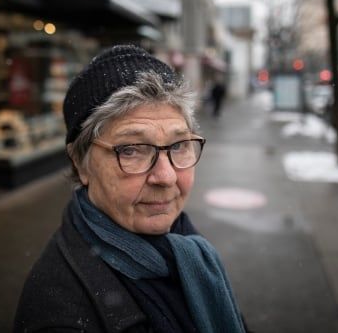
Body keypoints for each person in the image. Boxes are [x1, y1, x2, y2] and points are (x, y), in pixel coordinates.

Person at [14, 45, 248, 333]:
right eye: (131, 150)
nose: (166, 176)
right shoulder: (57, 313)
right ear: (81, 162)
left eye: (178, 145)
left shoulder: (184, 244)